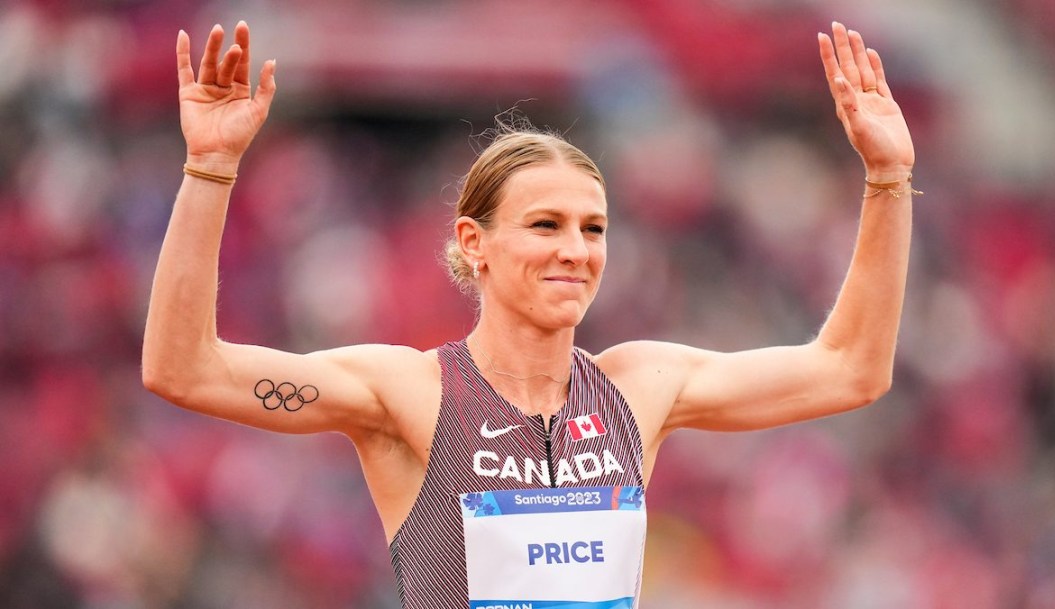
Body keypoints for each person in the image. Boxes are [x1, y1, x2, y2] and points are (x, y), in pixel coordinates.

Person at [143, 18, 917, 609]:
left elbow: (852, 369)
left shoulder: (639, 388)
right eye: (546, 225)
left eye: (593, 228)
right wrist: (209, 168)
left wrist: (886, 179)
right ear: (475, 244)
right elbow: (186, 369)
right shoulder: (410, 393)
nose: (575, 250)